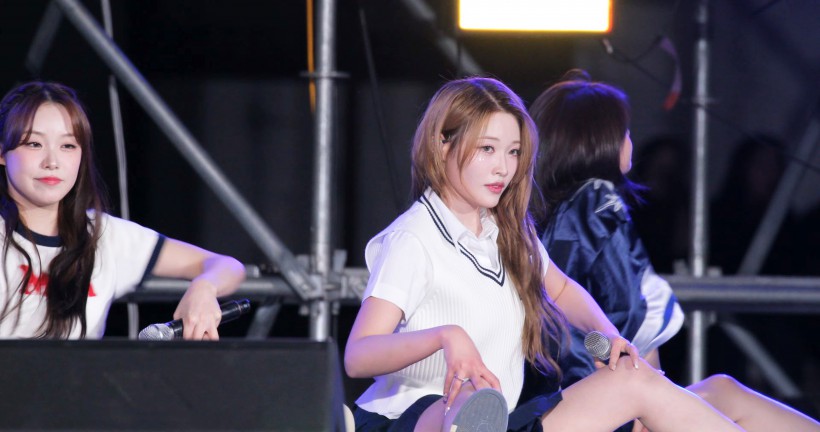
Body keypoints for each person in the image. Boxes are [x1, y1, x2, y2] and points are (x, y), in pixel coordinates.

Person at [344, 76, 746, 432]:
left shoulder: (510, 232)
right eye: (487, 148)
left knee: (637, 378)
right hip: (410, 418)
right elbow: (359, 355)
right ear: (442, 144)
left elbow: (563, 290)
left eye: (513, 152)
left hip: (506, 418)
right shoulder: (413, 239)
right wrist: (446, 337)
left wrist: (608, 334)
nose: (503, 168)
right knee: (464, 399)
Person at [530, 69, 820, 432]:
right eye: (625, 132)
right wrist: (647, 404)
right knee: (723, 392)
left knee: (723, 387)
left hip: (586, 392)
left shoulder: (549, 212)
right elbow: (631, 312)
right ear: (601, 140)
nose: (631, 141)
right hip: (609, 396)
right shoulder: (598, 203)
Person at [0, 81, 245, 339]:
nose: (52, 162)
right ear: (3, 152)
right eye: (34, 144)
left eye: (68, 146)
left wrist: (204, 288)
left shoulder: (104, 235)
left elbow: (226, 266)